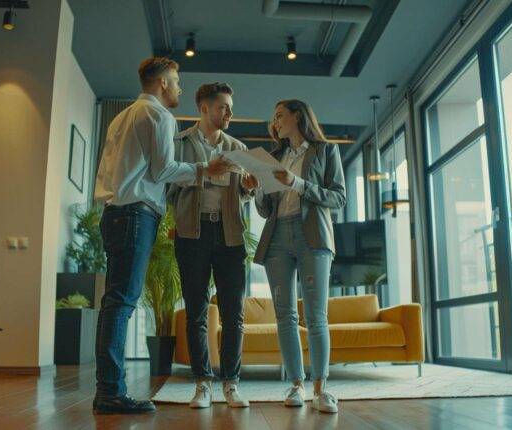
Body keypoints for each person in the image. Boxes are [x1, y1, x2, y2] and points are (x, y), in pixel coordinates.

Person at [92, 57, 230, 415]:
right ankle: (110, 392)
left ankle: (108, 389)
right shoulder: (159, 116)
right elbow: (164, 169)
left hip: (114, 213)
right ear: (163, 83)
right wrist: (205, 169)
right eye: (177, 82)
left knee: (114, 303)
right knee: (120, 304)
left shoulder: (121, 115)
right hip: (136, 213)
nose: (180, 89)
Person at [168, 82, 259, 409]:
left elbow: (244, 195)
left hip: (230, 234)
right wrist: (205, 173)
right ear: (204, 108)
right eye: (223, 107)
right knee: (196, 312)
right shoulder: (179, 143)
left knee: (234, 314)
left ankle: (231, 384)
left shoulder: (238, 147)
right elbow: (167, 186)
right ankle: (202, 383)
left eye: (230, 107)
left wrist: (249, 189)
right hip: (192, 232)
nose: (230, 113)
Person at [253, 99, 346, 414]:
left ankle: (321, 388)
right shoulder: (274, 157)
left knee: (317, 317)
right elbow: (266, 210)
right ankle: (296, 384)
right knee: (285, 317)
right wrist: (258, 189)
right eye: (274, 117)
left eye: (280, 115)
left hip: (313, 237)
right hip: (278, 237)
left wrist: (300, 184)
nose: (276, 122)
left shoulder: (324, 150)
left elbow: (338, 197)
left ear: (298, 116)